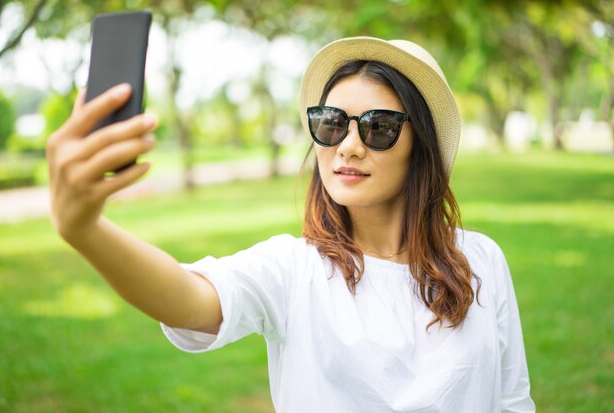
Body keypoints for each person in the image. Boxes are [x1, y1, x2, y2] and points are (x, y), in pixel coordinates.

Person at [47, 36, 535, 412]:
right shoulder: (293, 269)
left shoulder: (481, 260)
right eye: (331, 122)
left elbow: (513, 401)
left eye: (378, 127)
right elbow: (188, 299)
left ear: (420, 145)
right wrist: (85, 231)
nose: (347, 145)